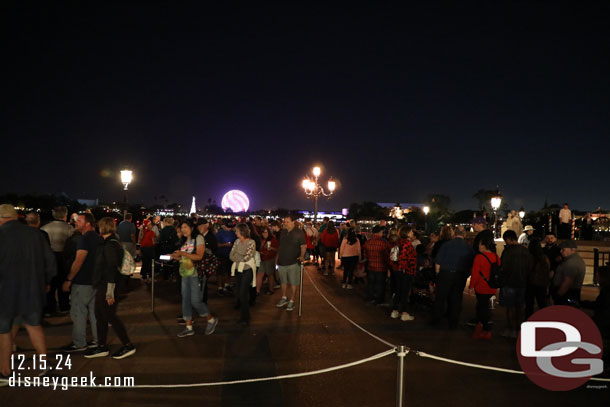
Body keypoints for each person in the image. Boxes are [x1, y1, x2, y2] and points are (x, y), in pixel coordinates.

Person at [0, 205, 56, 384]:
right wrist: (46, 281)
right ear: (16, 217)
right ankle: (44, 365)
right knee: (33, 325)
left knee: (4, 330)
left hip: (6, 291)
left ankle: (5, 370)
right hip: (32, 289)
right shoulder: (35, 234)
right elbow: (50, 261)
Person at [84, 217, 136, 359]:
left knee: (108, 316)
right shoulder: (113, 243)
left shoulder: (109, 245)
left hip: (107, 285)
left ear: (102, 228)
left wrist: (109, 292)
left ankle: (127, 345)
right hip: (106, 284)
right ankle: (102, 346)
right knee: (101, 315)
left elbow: (111, 269)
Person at [61, 213, 103, 352]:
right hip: (95, 280)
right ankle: (97, 341)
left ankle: (79, 343)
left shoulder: (84, 239)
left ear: (88, 224)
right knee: (93, 313)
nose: (75, 223)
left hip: (82, 281)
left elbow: (79, 261)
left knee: (78, 313)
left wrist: (69, 279)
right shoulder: (99, 238)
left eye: (79, 221)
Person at [172, 220, 218, 337]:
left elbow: (199, 256)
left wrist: (183, 254)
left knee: (196, 301)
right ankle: (188, 327)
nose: (183, 230)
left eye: (185, 227)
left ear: (192, 228)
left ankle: (211, 319)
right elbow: (183, 258)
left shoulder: (199, 238)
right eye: (181, 227)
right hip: (185, 272)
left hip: (196, 273)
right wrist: (173, 256)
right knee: (185, 300)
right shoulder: (184, 241)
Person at [431, 226, 474, 329]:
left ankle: (437, 319)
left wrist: (438, 274)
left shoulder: (447, 245)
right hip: (460, 275)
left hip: (445, 273)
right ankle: (453, 322)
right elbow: (471, 265)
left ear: (454, 234)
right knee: (456, 299)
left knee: (440, 298)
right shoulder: (468, 248)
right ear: (464, 235)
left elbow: (438, 262)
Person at [41, 205, 73, 316]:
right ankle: (64, 306)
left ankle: (50, 308)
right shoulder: (70, 228)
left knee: (50, 283)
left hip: (49, 256)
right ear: (65, 215)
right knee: (63, 282)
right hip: (64, 257)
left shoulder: (45, 228)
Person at [500, 230, 532, 338]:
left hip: (509, 282)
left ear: (508, 239)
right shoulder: (525, 251)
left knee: (510, 307)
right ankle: (518, 329)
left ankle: (511, 328)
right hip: (522, 282)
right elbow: (529, 267)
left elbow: (503, 268)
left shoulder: (507, 251)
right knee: (520, 307)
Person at [469, 232, 499, 339]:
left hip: (481, 286)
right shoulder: (496, 257)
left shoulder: (479, 257)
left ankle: (485, 329)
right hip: (492, 286)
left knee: (482, 308)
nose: (478, 246)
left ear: (485, 246)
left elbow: (475, 273)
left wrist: (471, 286)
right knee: (485, 307)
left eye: (480, 244)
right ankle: (484, 326)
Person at [276, 216, 306, 312]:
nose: (285, 223)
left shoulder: (299, 233)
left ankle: (292, 300)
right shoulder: (283, 232)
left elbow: (303, 246)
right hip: (282, 262)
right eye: (285, 221)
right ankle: (284, 298)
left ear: (293, 222)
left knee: (294, 282)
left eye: (287, 222)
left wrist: (301, 256)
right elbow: (281, 246)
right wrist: (277, 259)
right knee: (283, 281)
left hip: (293, 262)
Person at [230, 223, 257, 325]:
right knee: (239, 293)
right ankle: (244, 316)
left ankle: (245, 318)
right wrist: (239, 257)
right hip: (238, 270)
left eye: (236, 230)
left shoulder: (251, 242)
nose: (235, 232)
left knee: (243, 293)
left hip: (247, 270)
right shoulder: (237, 242)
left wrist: (238, 257)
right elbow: (231, 255)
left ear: (241, 231)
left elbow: (248, 257)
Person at [389, 226, 417, 322]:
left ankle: (395, 310)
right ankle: (404, 313)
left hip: (397, 270)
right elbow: (407, 259)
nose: (412, 233)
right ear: (407, 233)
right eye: (411, 232)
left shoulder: (398, 242)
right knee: (405, 292)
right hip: (406, 271)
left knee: (398, 291)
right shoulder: (407, 244)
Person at [551, 240, 586, 306]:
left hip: (566, 294)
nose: (561, 251)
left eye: (563, 249)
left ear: (571, 249)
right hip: (570, 293)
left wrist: (558, 295)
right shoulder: (575, 260)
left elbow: (568, 282)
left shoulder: (571, 263)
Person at [363, 225, 390, 305]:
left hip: (371, 266)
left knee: (371, 283)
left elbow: (366, 255)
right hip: (381, 267)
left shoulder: (367, 242)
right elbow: (386, 256)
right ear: (379, 233)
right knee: (380, 284)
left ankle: (370, 298)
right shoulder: (383, 243)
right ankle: (379, 300)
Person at [525, 238, 550, 319]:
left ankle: (528, 320)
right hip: (541, 283)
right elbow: (547, 270)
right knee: (542, 303)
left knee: (529, 305)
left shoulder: (528, 257)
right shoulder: (544, 258)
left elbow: (526, 270)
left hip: (530, 283)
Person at [216, 219, 237, 296]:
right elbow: (216, 245)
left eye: (231, 227)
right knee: (220, 272)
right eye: (228, 227)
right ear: (224, 226)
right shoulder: (219, 233)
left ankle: (227, 284)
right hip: (221, 255)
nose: (230, 229)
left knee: (229, 271)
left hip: (230, 255)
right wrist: (225, 245)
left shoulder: (233, 233)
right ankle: (220, 287)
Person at [258, 226, 278, 294]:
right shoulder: (261, 239)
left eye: (265, 232)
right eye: (263, 232)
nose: (264, 234)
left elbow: (277, 249)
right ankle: (257, 291)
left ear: (268, 232)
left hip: (269, 259)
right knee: (259, 274)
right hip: (261, 258)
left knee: (270, 274)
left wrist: (271, 248)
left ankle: (271, 289)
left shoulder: (273, 239)